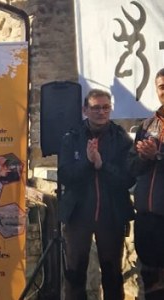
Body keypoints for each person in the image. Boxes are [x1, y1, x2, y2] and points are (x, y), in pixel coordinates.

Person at [58, 89, 134, 300]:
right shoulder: (71, 137)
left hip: (111, 215)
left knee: (112, 275)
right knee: (74, 273)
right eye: (96, 107)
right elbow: (65, 175)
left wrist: (102, 165)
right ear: (85, 110)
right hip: (78, 216)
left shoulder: (121, 139)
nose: (101, 112)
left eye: (105, 107)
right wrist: (87, 163)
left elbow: (128, 178)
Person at [128, 68, 164, 299]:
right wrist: (143, 157)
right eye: (161, 87)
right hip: (147, 217)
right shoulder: (146, 125)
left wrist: (158, 155)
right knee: (151, 283)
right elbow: (132, 169)